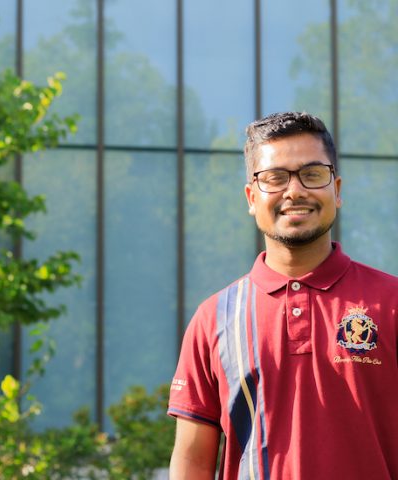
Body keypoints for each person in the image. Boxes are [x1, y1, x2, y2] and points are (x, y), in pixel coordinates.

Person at [167, 111, 398, 479]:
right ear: (251, 197)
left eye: (312, 174)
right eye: (274, 178)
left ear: (336, 190)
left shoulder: (391, 303)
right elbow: (193, 460)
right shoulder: (214, 318)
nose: (294, 191)